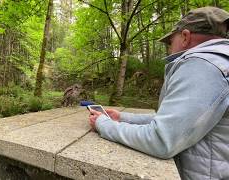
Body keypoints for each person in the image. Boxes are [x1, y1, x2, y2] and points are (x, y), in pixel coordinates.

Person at [88, 6, 229, 180]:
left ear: (185, 36)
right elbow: (178, 121)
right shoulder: (220, 62)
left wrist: (103, 124)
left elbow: (161, 140)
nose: (169, 49)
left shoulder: (202, 65)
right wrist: (124, 118)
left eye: (170, 42)